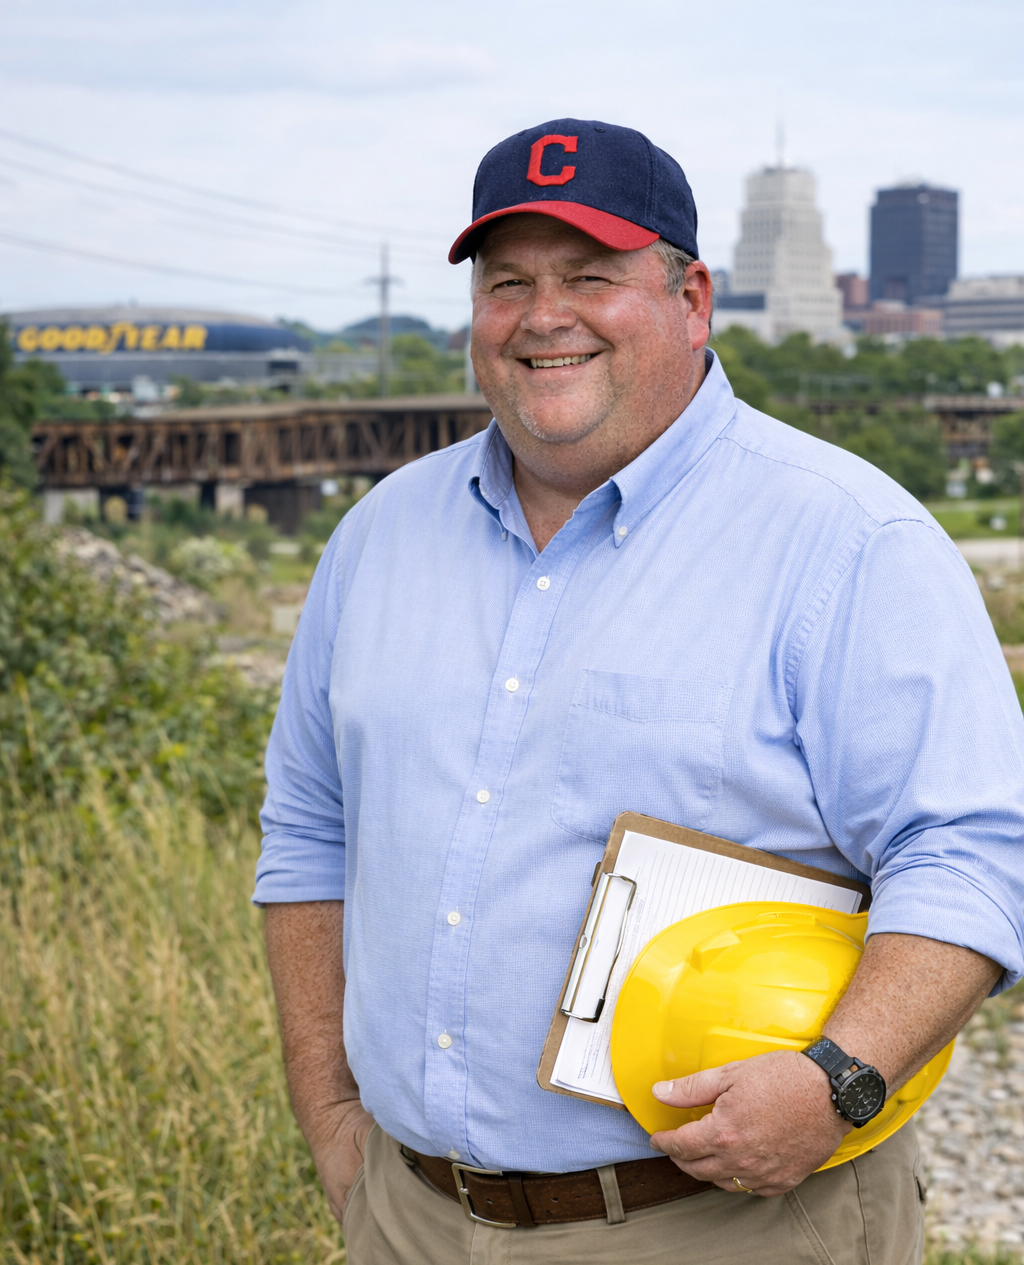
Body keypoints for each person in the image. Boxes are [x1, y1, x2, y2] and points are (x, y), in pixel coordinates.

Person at [254, 120, 1024, 1264]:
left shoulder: (848, 540)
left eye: (589, 276)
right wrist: (331, 1118)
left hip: (729, 1223)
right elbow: (309, 834)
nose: (543, 316)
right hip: (412, 1218)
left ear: (690, 298)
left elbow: (973, 851)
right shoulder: (377, 538)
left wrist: (837, 1081)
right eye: (507, 282)